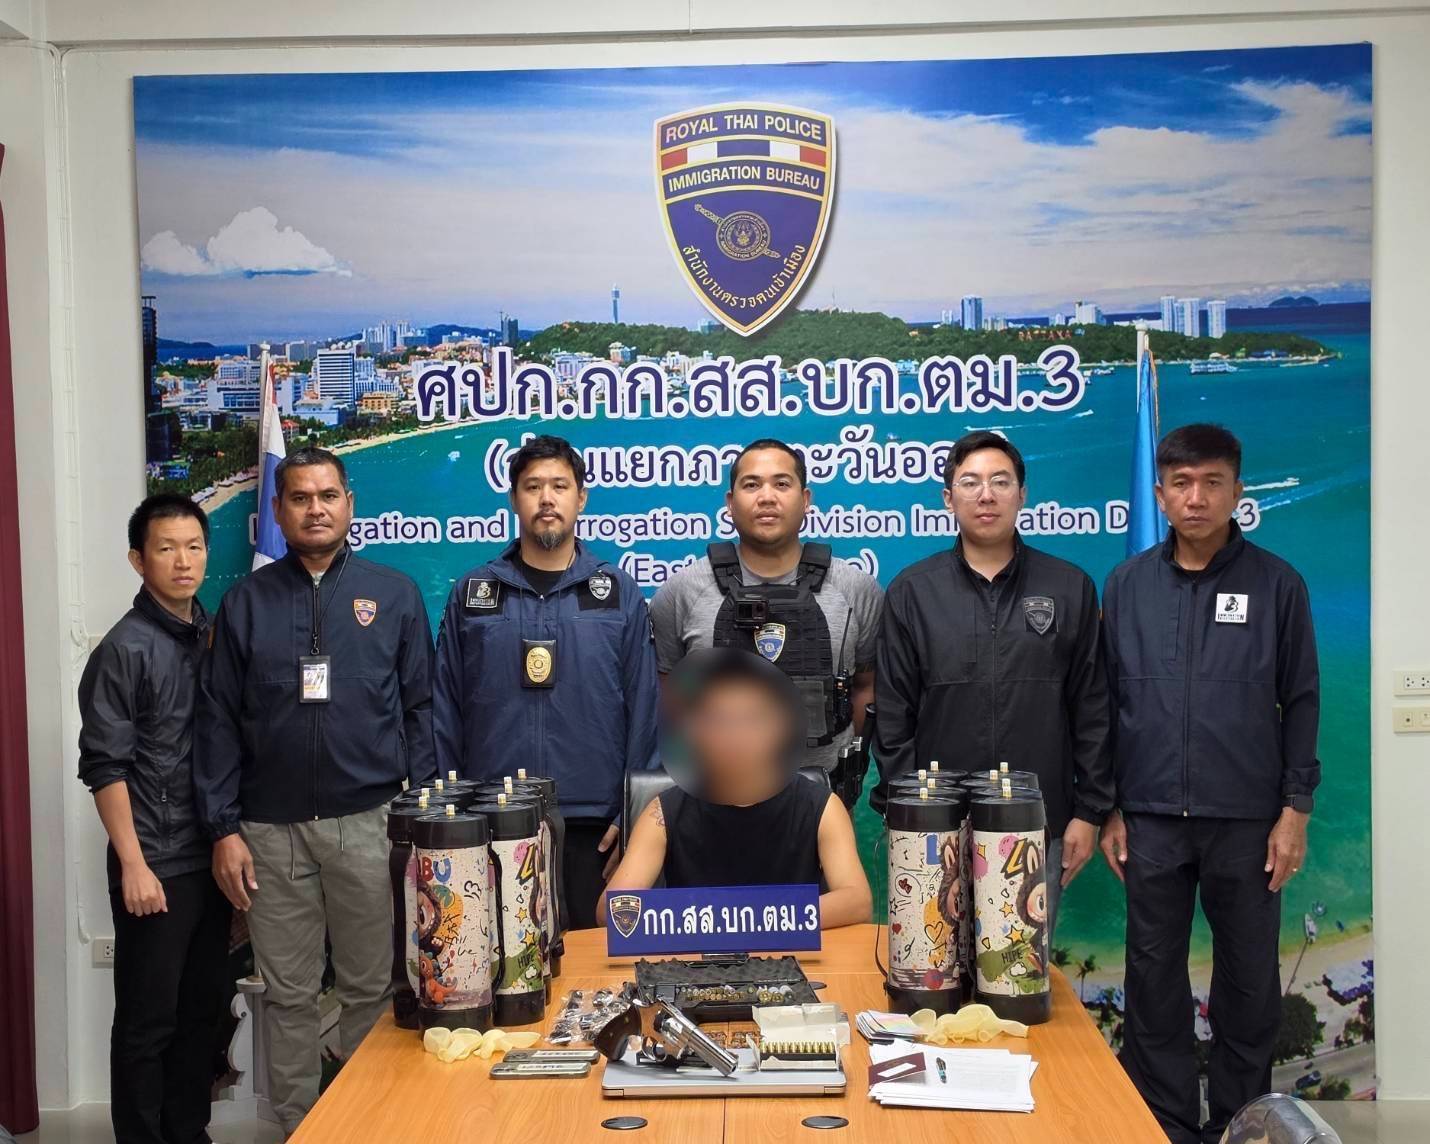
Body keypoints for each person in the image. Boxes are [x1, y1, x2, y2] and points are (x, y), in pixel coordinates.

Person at [195, 447, 436, 1136]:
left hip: (370, 823)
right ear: (277, 511)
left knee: (370, 989)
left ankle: (364, 1124)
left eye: (328, 496)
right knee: (288, 993)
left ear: (350, 504)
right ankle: (299, 1127)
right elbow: (216, 722)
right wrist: (223, 828)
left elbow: (420, 711)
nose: (316, 509)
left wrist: (418, 818)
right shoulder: (243, 604)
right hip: (269, 833)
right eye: (300, 498)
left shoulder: (395, 594)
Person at [1099, 424, 1319, 1144]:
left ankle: (1238, 1121)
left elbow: (1302, 700)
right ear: (1160, 494)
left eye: (1212, 483)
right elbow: (1106, 702)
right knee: (1153, 979)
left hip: (1248, 820)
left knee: (1249, 983)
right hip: (1151, 818)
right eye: (1182, 484)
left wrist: (1295, 810)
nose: (1196, 498)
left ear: (1237, 492)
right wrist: (1109, 807)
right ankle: (1164, 1123)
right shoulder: (1127, 586)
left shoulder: (1278, 585)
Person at [873, 430, 1112, 938]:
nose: (986, 495)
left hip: (1038, 823)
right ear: (948, 497)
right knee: (935, 963)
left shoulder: (1069, 587)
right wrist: (912, 815)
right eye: (971, 483)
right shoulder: (912, 592)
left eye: (1000, 482)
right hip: (937, 829)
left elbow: (1092, 707)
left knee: (1019, 969)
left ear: (1022, 494)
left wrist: (1090, 812)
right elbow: (893, 718)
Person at [433, 434, 659, 929]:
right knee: (502, 962)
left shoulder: (617, 591)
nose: (547, 498)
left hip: (596, 827)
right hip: (491, 820)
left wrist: (632, 815)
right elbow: (445, 710)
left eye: (560, 485)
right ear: (514, 499)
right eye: (533, 486)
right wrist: (453, 814)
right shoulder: (474, 593)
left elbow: (645, 711)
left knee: (592, 962)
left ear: (582, 498)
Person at [77, 494, 231, 1144]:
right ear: (139, 560)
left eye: (193, 547)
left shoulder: (214, 634)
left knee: (201, 1016)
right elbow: (104, 767)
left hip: (211, 858)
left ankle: (188, 1134)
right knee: (147, 1024)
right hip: (155, 866)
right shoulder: (123, 649)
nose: (182, 561)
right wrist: (134, 865)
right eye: (166, 548)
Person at [649, 438, 883, 773]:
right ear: (730, 503)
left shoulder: (856, 589)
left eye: (782, 484)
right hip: (714, 789)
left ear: (805, 500)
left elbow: (865, 689)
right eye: (751, 485)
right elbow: (671, 697)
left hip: (827, 790)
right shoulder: (681, 592)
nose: (767, 497)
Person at [599, 648, 872, 928]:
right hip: (696, 953)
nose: (736, 737)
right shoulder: (662, 812)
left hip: (792, 951)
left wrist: (750, 919)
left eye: (752, 720)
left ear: (780, 729)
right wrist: (723, 921)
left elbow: (857, 901)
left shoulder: (821, 806)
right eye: (719, 721)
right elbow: (611, 909)